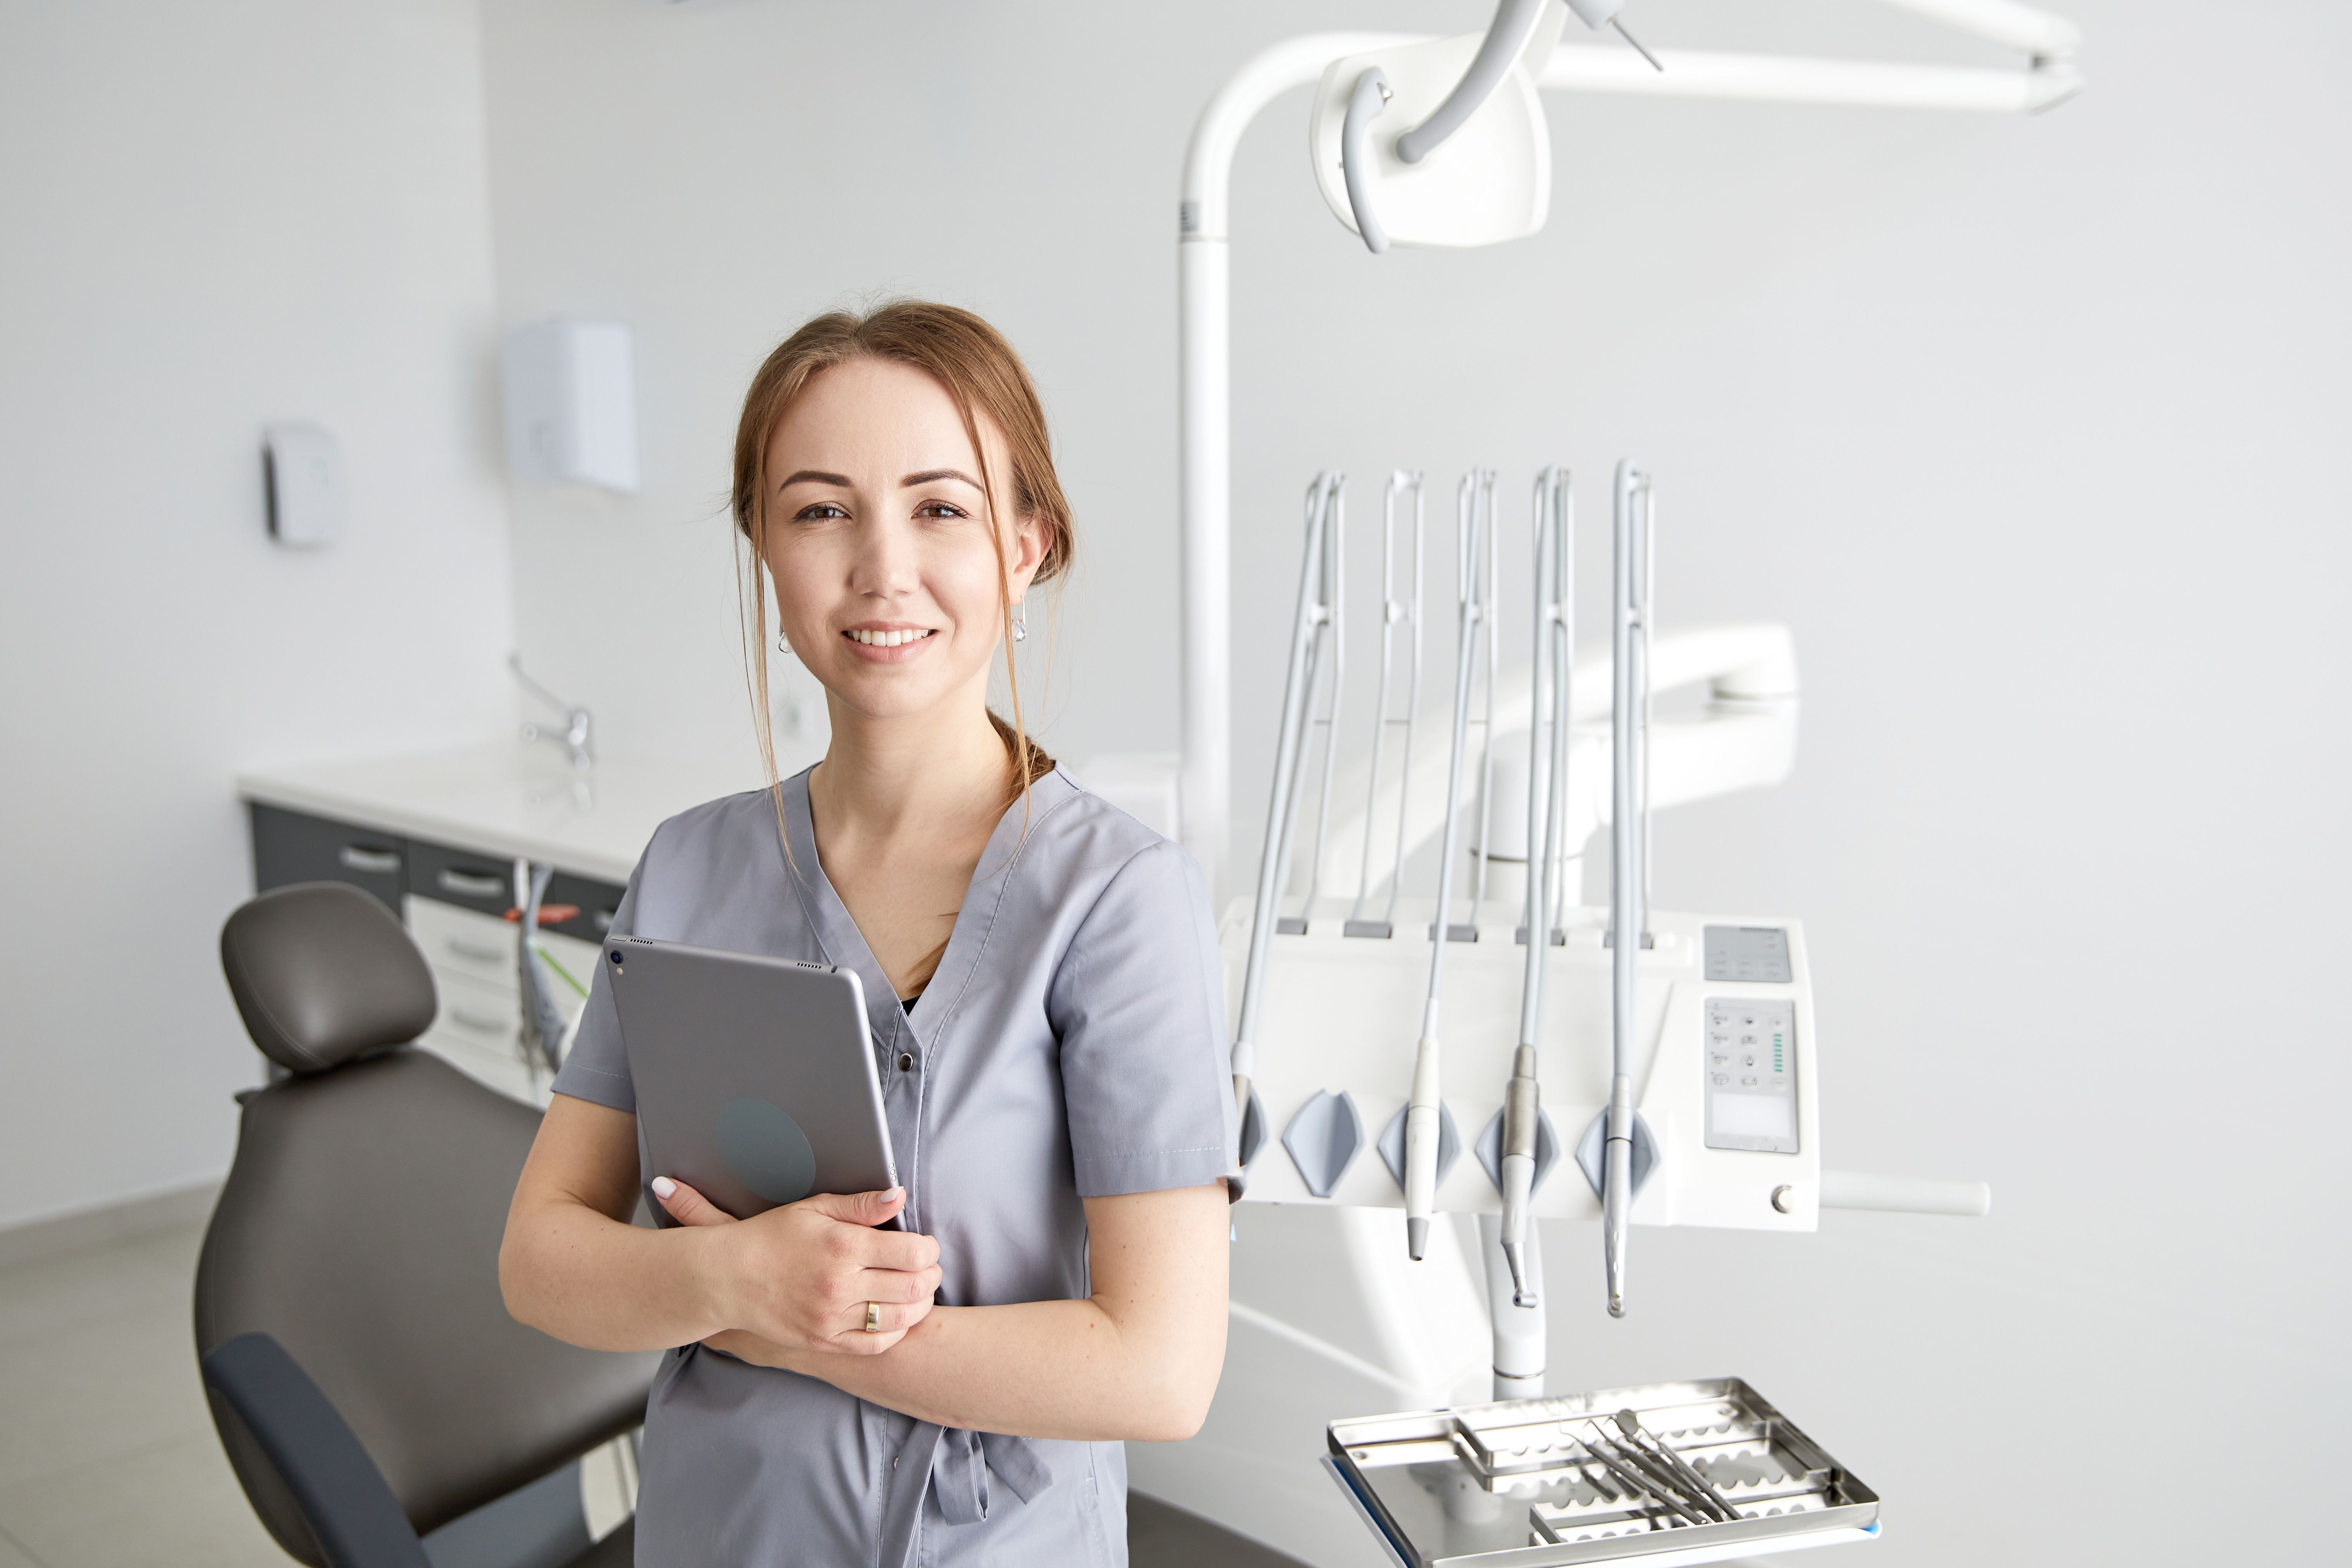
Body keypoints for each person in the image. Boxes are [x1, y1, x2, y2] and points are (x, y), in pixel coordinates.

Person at [499, 302, 1237, 1567]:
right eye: (820, 510)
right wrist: (729, 1284)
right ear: (765, 550)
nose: (881, 568)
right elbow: (541, 1260)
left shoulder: (1117, 900)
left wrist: (776, 1320)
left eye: (940, 509)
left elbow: (1158, 1371)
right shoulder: (689, 866)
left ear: (1025, 545)